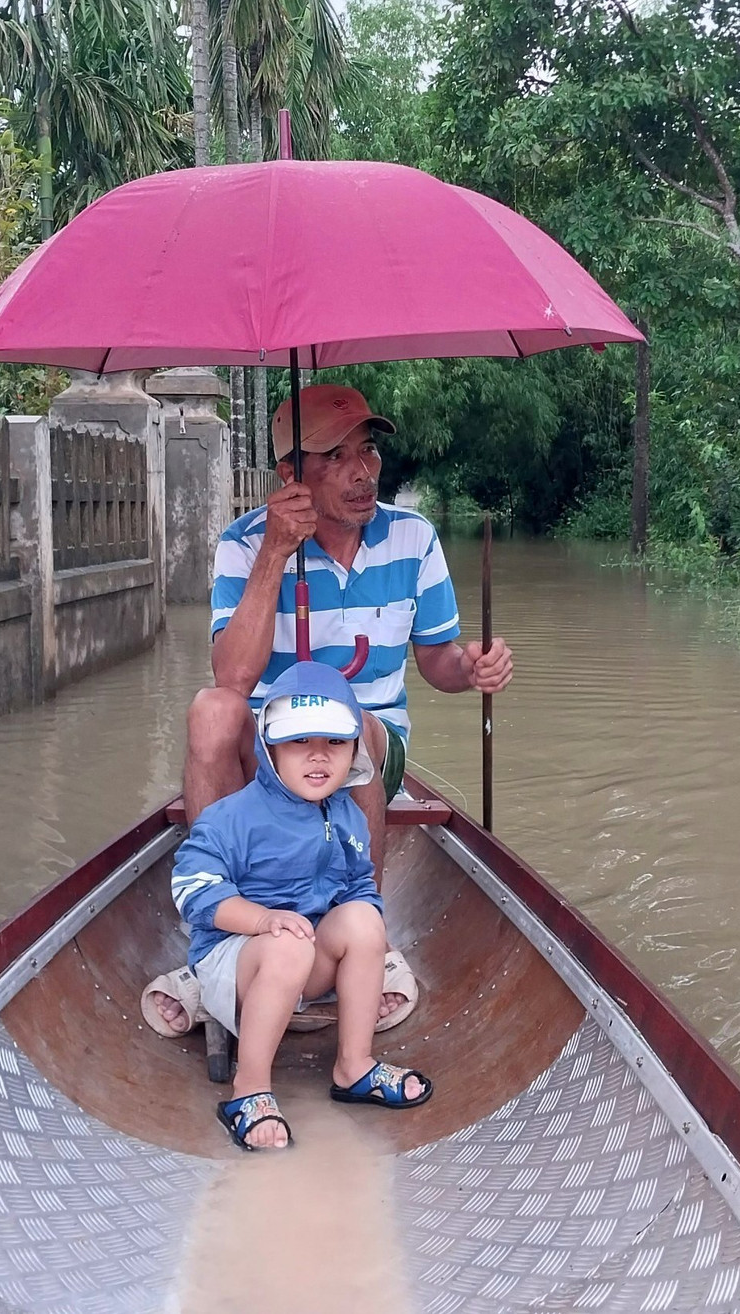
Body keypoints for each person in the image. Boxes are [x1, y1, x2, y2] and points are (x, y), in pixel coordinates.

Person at [150, 384, 514, 1036]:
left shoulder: (413, 540)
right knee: (210, 712)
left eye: (368, 450)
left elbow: (439, 662)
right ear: (291, 474)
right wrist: (275, 554)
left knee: (358, 728)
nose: (362, 472)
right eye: (334, 456)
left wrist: (473, 667)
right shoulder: (244, 543)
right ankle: (218, 939)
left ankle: (358, 929)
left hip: (372, 739)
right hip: (264, 742)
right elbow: (232, 677)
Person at [173, 661, 434, 1150]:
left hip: (300, 959)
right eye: (299, 742)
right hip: (236, 966)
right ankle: (248, 1090)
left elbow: (358, 887)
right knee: (286, 944)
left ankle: (353, 1066)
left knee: (364, 919)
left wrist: (361, 934)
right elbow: (193, 891)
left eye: (335, 742)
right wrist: (262, 920)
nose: (318, 758)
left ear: (355, 748)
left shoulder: (347, 817)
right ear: (268, 749)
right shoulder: (233, 817)